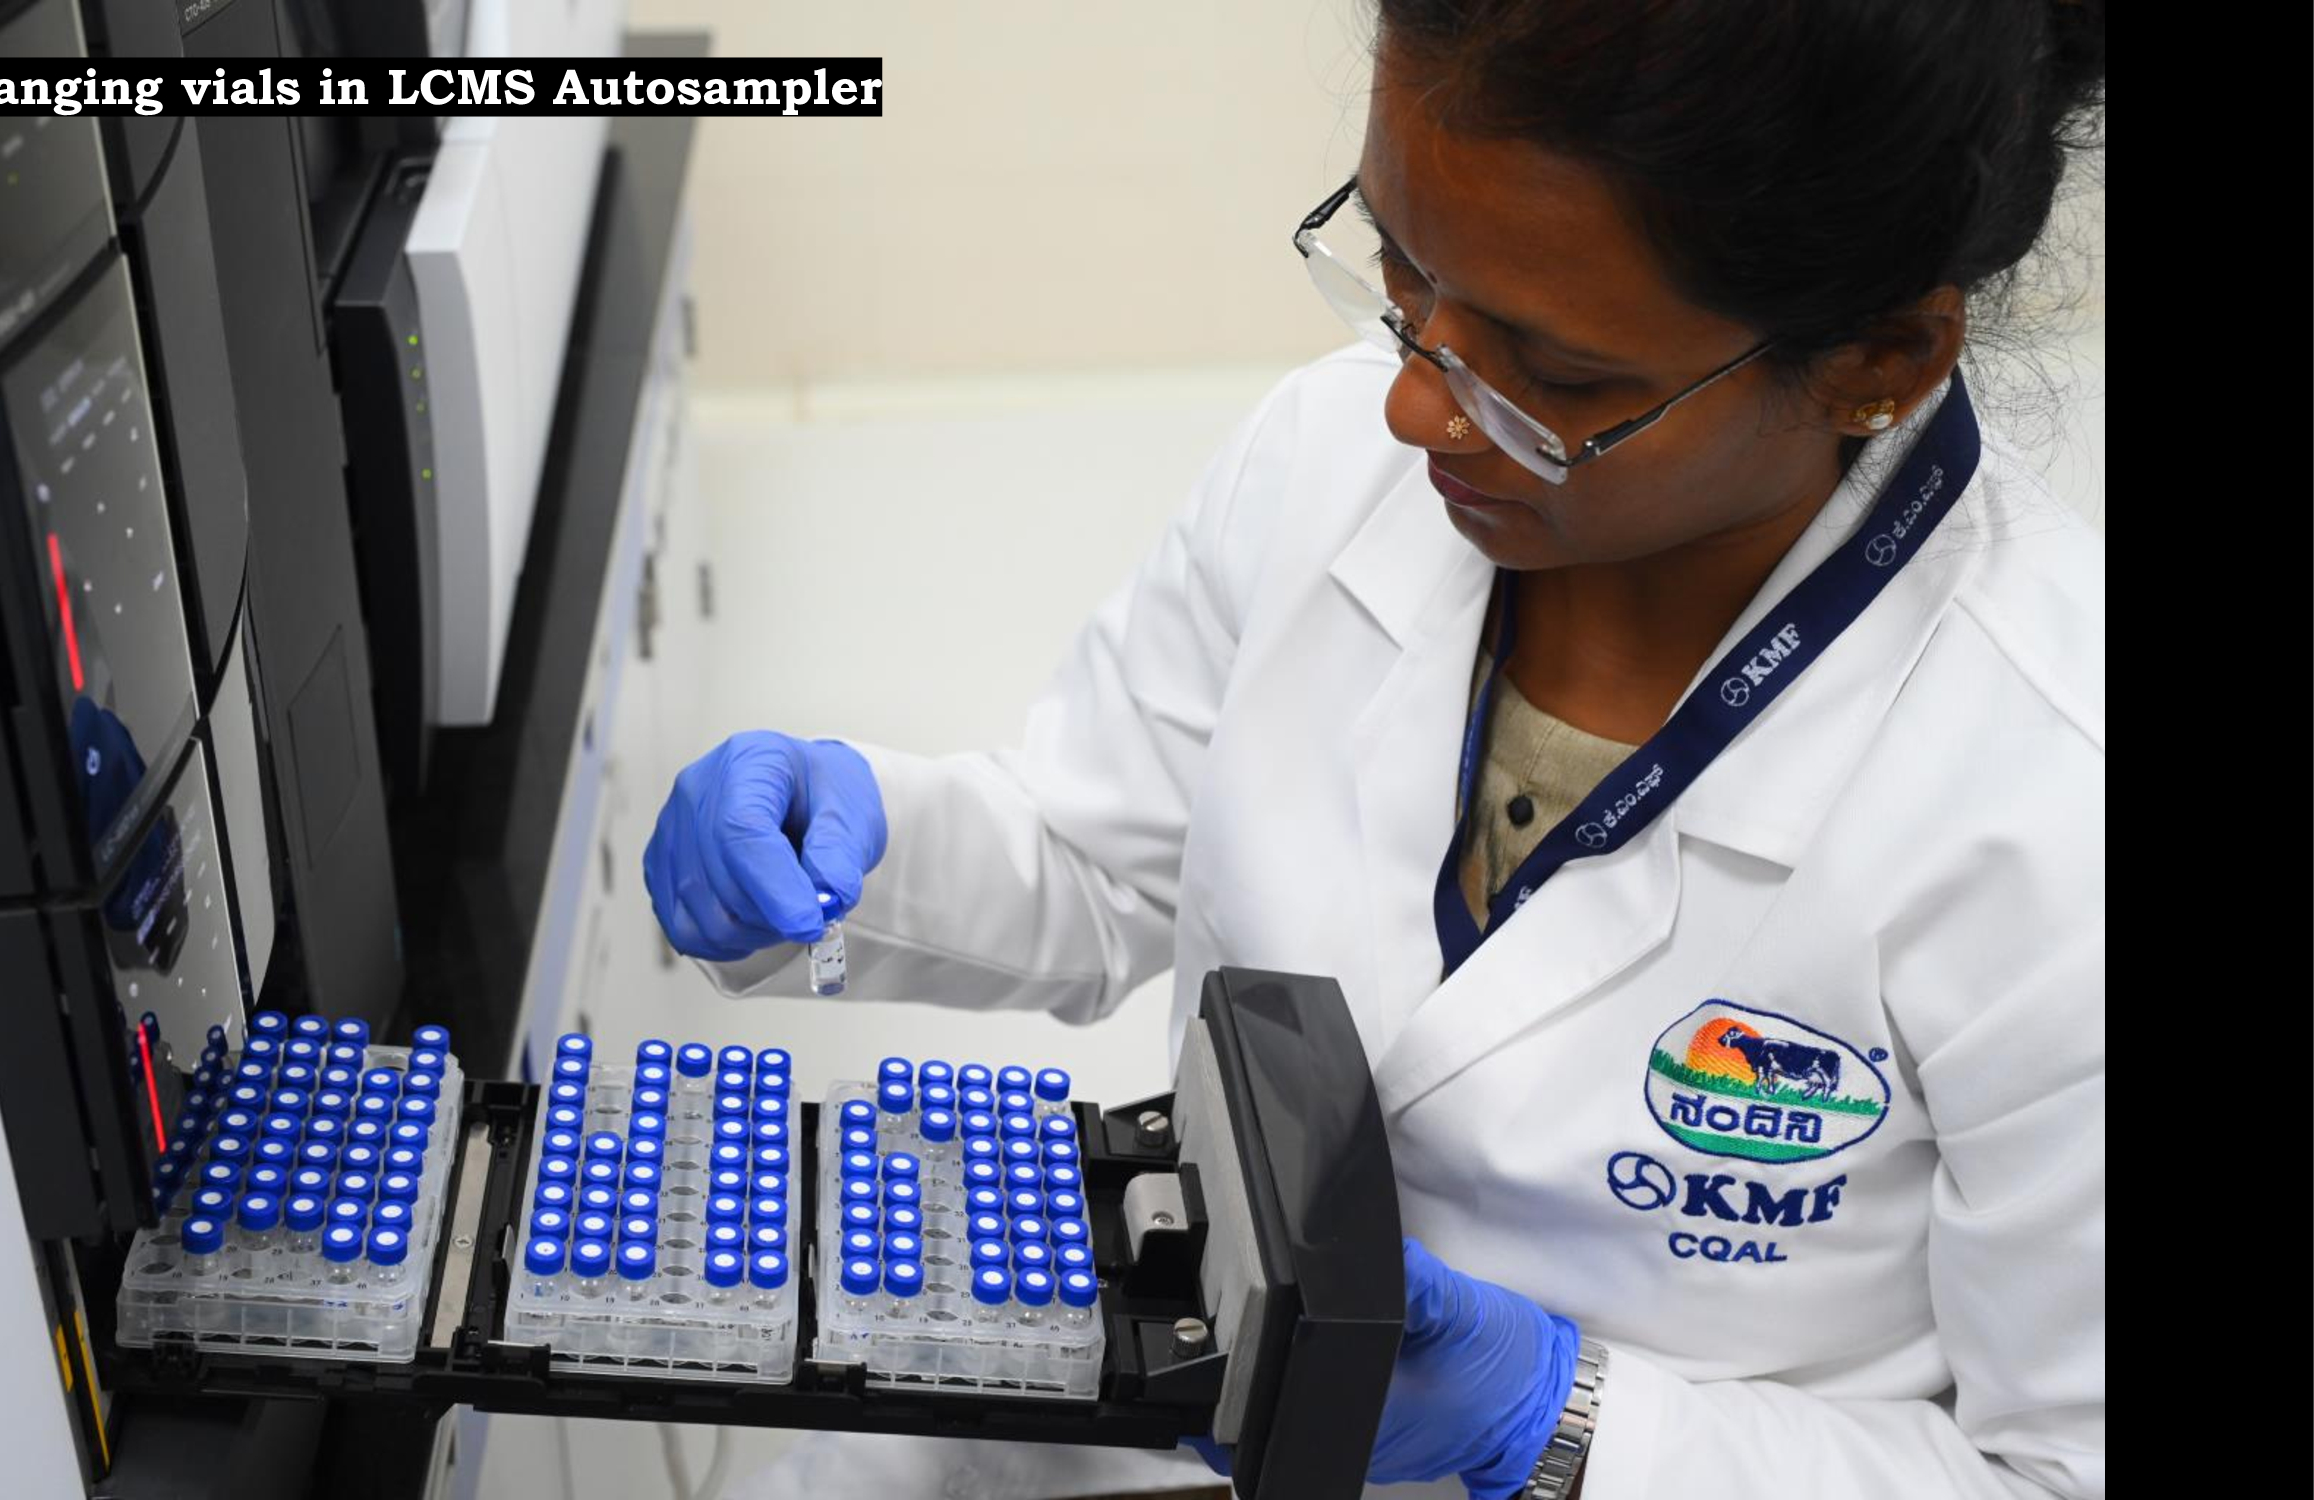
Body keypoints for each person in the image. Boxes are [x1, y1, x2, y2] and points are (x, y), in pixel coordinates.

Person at [645, 2, 2105, 1495]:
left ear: (1880, 358)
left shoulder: (2052, 803)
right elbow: (1103, 854)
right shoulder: (1329, 459)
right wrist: (854, 840)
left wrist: (1564, 1425)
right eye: (1407, 277)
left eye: (1555, 375)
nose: (1416, 407)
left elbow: (2057, 1471)